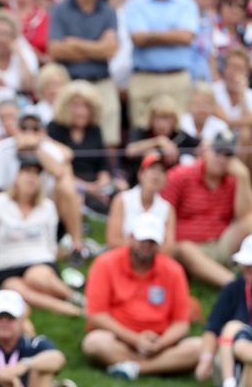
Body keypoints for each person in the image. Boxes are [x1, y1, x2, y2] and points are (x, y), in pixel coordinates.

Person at [82, 212, 202, 381]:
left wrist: (160, 343)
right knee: (95, 342)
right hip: (119, 340)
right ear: (131, 237)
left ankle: (136, 368)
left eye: (152, 241)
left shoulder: (173, 270)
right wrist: (134, 339)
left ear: (158, 243)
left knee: (200, 347)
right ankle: (158, 365)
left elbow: (181, 323)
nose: (147, 245)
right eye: (143, 240)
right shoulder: (105, 264)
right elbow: (96, 315)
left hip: (160, 342)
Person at [0, 155, 82, 317]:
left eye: (36, 174)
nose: (32, 177)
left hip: (39, 261)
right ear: (16, 177)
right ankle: (70, 309)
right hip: (7, 267)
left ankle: (75, 298)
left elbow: (51, 244)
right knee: (14, 288)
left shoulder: (47, 206)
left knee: (36, 277)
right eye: (27, 172)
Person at [0, 109, 87, 259]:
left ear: (43, 131)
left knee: (67, 186)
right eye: (24, 127)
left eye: (35, 128)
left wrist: (36, 148)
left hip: (44, 203)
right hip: (9, 203)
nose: (29, 132)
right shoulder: (2, 148)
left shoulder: (50, 149)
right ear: (16, 129)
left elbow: (59, 173)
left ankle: (76, 246)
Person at [161, 130, 252, 287]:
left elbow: (245, 217)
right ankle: (237, 285)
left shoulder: (233, 179)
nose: (221, 159)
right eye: (217, 151)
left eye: (227, 154)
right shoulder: (180, 175)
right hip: (187, 246)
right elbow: (161, 214)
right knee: (185, 249)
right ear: (205, 151)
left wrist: (243, 177)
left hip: (220, 243)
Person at [48, 0, 120, 148]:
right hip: (70, 79)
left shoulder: (108, 10)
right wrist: (96, 48)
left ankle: (108, 173)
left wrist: (75, 43)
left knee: (109, 132)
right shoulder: (60, 9)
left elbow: (110, 49)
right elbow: (55, 49)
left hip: (101, 78)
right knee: (65, 130)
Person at [123, 0, 199, 128]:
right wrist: (173, 34)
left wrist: (151, 35)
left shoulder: (186, 3)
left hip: (177, 78)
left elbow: (186, 37)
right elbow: (138, 38)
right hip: (144, 77)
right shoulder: (135, 4)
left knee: (180, 133)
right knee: (142, 132)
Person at [47, 80, 113, 214]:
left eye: (86, 106)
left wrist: (102, 184)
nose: (81, 111)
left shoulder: (95, 130)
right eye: (76, 106)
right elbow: (56, 168)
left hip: (95, 183)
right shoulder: (55, 128)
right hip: (67, 183)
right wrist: (88, 188)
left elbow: (103, 165)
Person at [196, 235, 252, 387]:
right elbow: (212, 327)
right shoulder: (233, 289)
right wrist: (206, 359)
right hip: (232, 356)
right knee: (231, 330)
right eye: (245, 264)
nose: (247, 269)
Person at [106, 153, 176, 253]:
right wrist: (147, 246)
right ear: (140, 174)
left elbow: (169, 249)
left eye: (162, 171)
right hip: (124, 258)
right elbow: (113, 242)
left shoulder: (168, 208)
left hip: (154, 263)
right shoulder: (121, 200)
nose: (157, 175)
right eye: (152, 169)